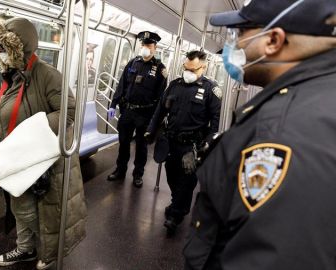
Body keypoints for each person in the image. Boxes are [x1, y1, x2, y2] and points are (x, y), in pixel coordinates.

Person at [183, 0, 336, 269]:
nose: (236, 45)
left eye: (240, 34)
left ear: (273, 41)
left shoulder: (283, 132)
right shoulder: (318, 99)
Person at [0, 17, 87, 269]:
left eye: (3, 47)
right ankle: (25, 249)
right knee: (20, 205)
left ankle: (46, 252)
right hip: (17, 157)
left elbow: (68, 112)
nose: (0, 53)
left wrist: (31, 133)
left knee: (36, 211)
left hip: (39, 156)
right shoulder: (13, 76)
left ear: (20, 47)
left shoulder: (47, 75)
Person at [146, 50, 221, 234]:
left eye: (192, 69)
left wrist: (205, 146)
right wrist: (151, 129)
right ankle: (177, 203)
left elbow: (215, 123)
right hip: (171, 142)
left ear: (203, 68)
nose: (187, 72)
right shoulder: (174, 85)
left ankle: (176, 215)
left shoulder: (211, 90)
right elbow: (160, 111)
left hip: (192, 146)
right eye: (185, 68)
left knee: (187, 181)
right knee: (171, 176)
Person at [107, 31, 168, 188]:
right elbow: (122, 84)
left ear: (155, 47)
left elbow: (160, 98)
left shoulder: (160, 69)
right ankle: (120, 170)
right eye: (143, 45)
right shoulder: (133, 63)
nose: (145, 48)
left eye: (148, 45)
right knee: (124, 143)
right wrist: (113, 104)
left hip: (145, 113)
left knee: (141, 146)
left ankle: (137, 174)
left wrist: (154, 121)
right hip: (128, 111)